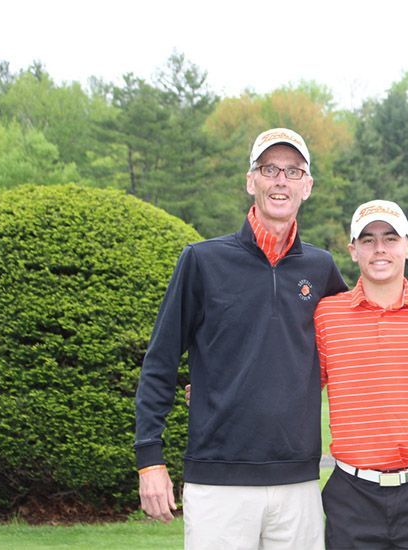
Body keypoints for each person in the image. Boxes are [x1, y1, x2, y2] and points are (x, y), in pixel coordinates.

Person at [134, 127, 347, 549]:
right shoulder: (202, 260)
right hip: (218, 483)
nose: (280, 180)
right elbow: (159, 363)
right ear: (251, 180)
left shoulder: (322, 270)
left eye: (292, 171)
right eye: (270, 169)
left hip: (298, 483)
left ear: (307, 186)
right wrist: (149, 461)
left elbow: (351, 342)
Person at [314, 200, 408, 549]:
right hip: (353, 496)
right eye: (368, 240)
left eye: (390, 239)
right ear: (352, 250)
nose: (380, 249)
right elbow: (294, 386)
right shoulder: (327, 315)